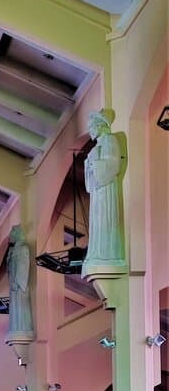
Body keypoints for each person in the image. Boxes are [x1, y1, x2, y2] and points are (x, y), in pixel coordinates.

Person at [83, 109, 126, 273]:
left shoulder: (110, 140)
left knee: (105, 218)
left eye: (92, 126)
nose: (90, 130)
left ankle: (106, 254)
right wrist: (89, 165)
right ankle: (97, 253)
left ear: (101, 125)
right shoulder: (99, 144)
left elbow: (113, 163)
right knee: (97, 220)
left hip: (106, 187)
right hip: (97, 190)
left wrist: (96, 165)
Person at [6, 224, 34, 341]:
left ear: (17, 233)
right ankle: (16, 328)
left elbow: (23, 267)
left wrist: (17, 282)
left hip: (19, 286)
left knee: (21, 309)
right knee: (15, 310)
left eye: (12, 233)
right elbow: (10, 269)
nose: (10, 236)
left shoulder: (23, 248)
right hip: (13, 286)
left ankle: (22, 328)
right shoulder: (15, 249)